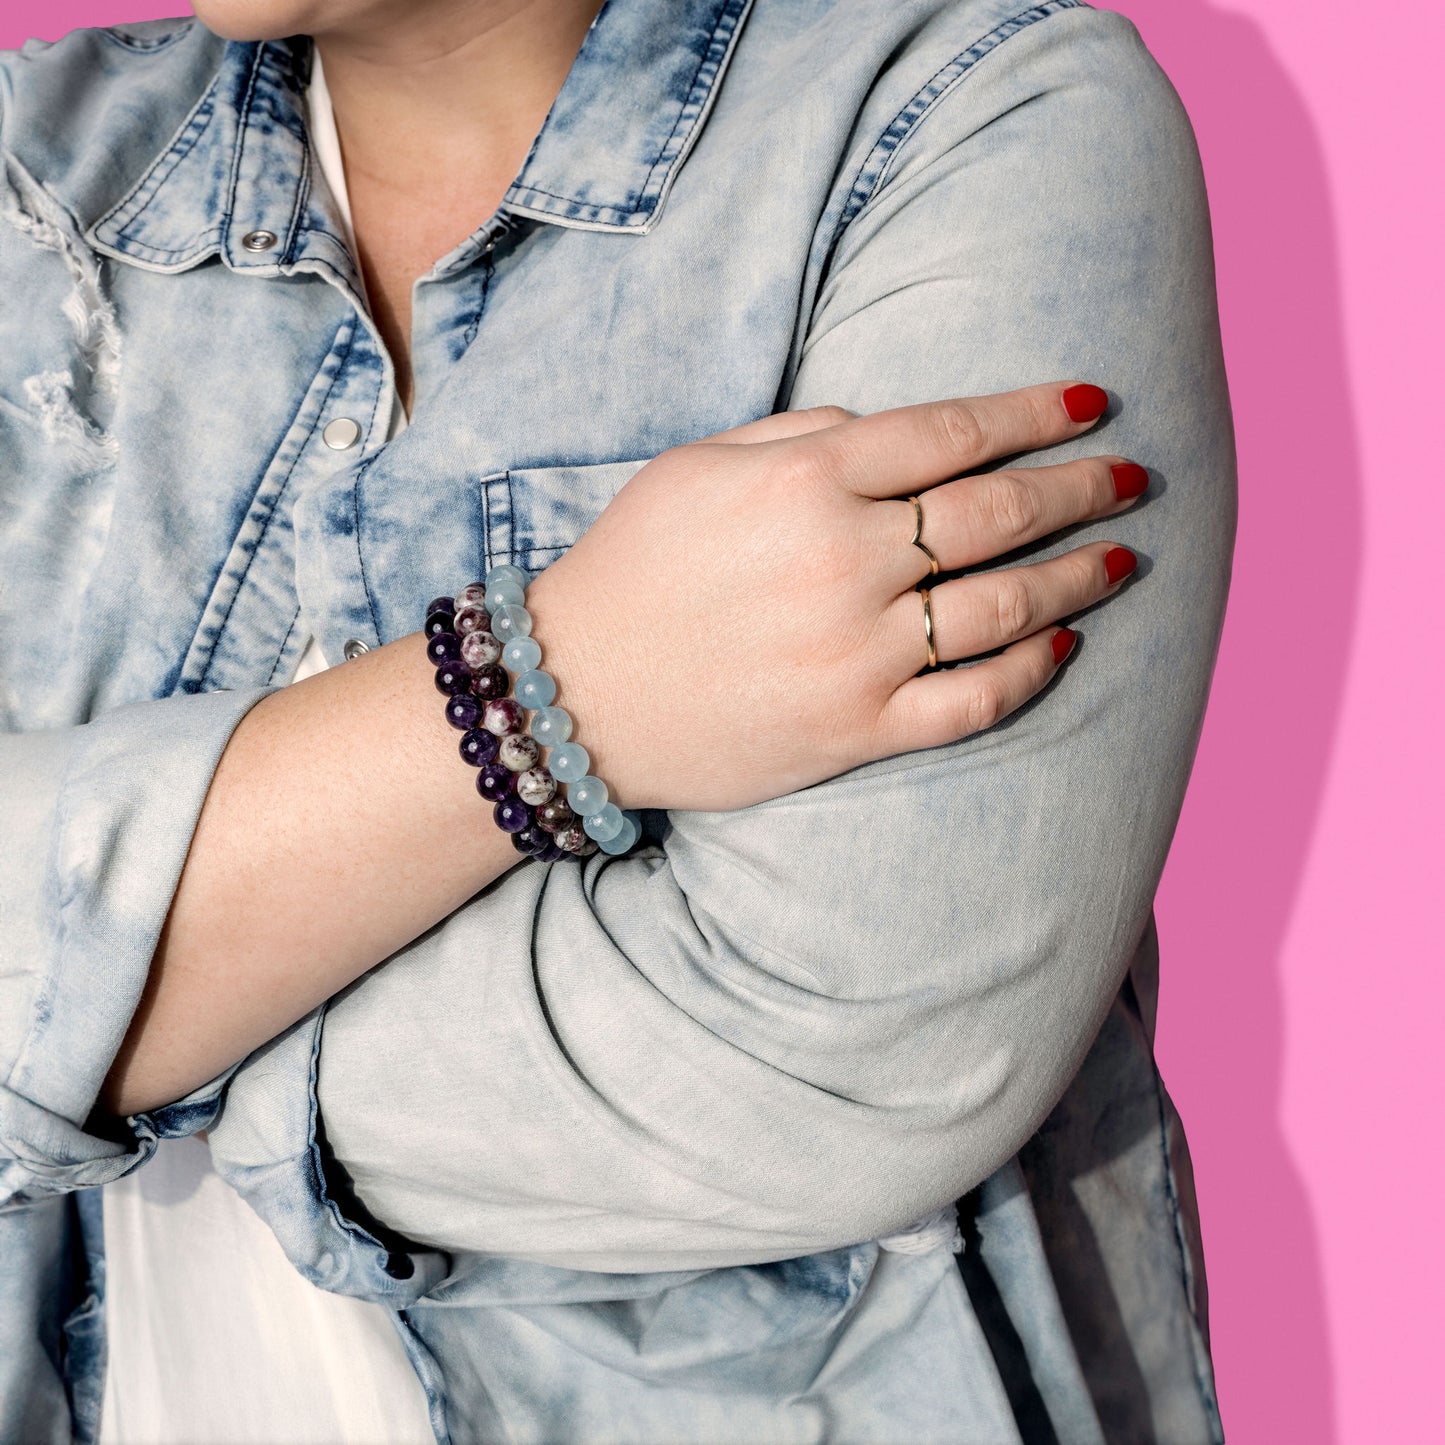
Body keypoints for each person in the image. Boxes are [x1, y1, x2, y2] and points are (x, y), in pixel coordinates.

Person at [0, 0, 1235, 1439]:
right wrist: (552, 686)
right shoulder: (35, 173)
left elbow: (816, 1064)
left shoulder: (969, 118)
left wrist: (79, 1014)